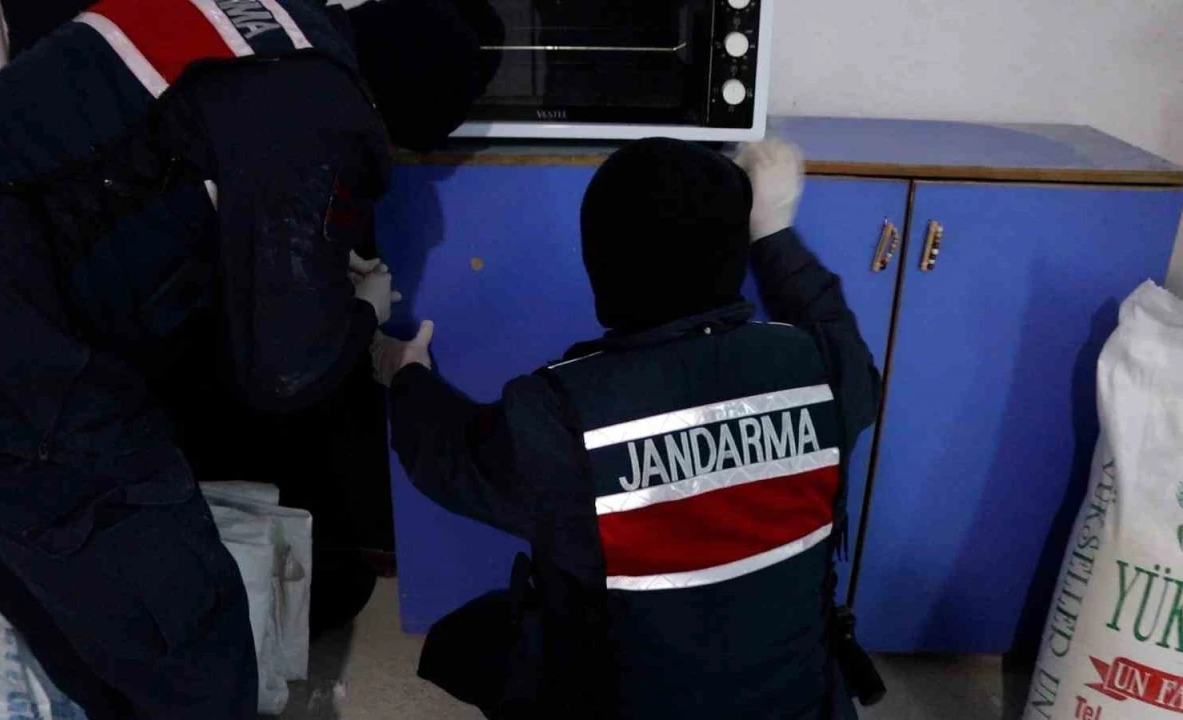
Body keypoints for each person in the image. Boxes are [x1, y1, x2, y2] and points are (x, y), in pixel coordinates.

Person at [0, 0, 494, 717]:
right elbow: (285, 371)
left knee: (70, 610)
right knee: (188, 628)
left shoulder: (275, 26)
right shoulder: (326, 112)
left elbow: (164, 168)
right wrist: (360, 313)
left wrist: (301, 265)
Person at [372, 138, 883, 719]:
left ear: (599, 268)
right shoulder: (825, 366)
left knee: (472, 643)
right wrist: (773, 231)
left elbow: (445, 458)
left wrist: (405, 371)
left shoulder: (560, 411)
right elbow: (833, 324)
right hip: (807, 706)